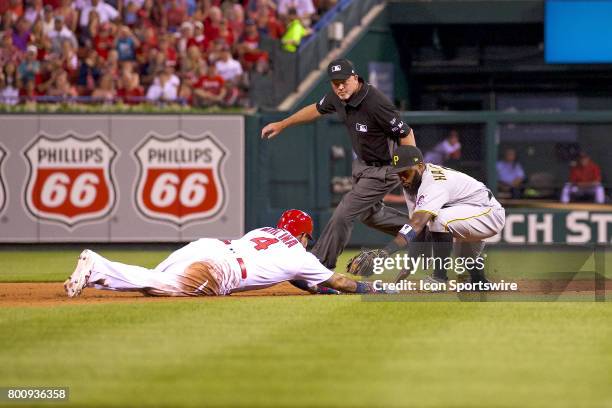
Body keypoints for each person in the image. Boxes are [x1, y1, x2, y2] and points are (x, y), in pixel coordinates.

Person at [261, 58, 415, 269]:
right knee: (371, 216)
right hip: (363, 166)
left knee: (344, 212)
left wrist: (412, 170)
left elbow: (406, 133)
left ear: (355, 77)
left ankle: (320, 264)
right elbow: (316, 109)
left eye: (344, 81)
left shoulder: (375, 103)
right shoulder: (337, 96)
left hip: (384, 168)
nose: (340, 86)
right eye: (335, 83)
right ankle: (420, 230)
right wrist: (283, 123)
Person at [64, 210, 381, 297]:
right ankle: (97, 264)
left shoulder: (262, 232)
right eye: (306, 237)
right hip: (219, 270)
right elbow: (340, 281)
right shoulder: (301, 256)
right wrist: (370, 288)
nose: (307, 242)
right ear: (301, 235)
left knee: (153, 281)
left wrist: (316, 288)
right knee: (160, 287)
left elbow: (299, 279)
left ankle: (95, 274)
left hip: (207, 246)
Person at [380, 145, 505, 285]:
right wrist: (408, 267)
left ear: (420, 166)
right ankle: (479, 281)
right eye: (398, 173)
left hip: (488, 212)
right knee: (462, 254)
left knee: (439, 219)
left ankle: (439, 278)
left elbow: (417, 224)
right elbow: (417, 230)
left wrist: (385, 252)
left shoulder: (433, 183)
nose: (402, 177)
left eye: (405, 172)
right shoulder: (411, 185)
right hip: (469, 213)